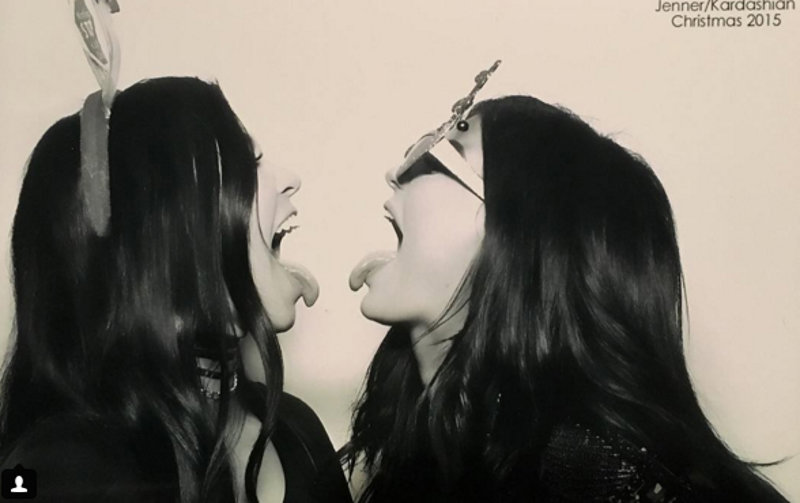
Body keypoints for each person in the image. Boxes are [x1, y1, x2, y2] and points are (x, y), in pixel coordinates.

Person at [345, 92, 789, 501]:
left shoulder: (603, 479)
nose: (397, 172)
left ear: (518, 235)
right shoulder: (430, 457)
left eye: (437, 157)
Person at [0, 77, 351, 503]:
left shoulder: (298, 433)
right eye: (250, 164)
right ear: (164, 239)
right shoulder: (63, 473)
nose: (289, 180)